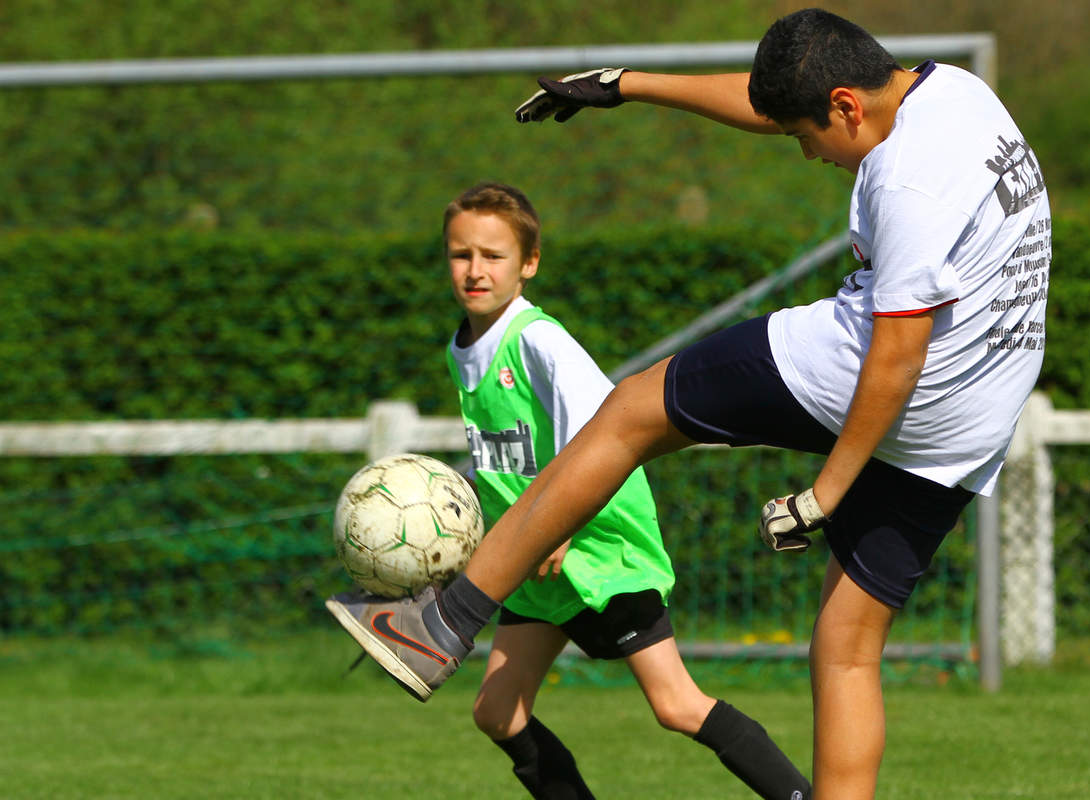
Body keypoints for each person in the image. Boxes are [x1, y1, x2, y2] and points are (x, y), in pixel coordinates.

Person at [328, 8, 1051, 799]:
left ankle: (443, 623)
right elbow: (781, 106)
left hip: (901, 372)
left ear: (845, 105)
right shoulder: (957, 97)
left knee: (632, 410)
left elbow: (897, 352)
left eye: (806, 135)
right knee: (846, 642)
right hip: (979, 408)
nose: (807, 153)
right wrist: (627, 85)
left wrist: (825, 494)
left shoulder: (904, 175)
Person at [327, 181, 812, 799]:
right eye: (460, 254)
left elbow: (601, 434)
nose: (475, 270)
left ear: (528, 264)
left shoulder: (537, 340)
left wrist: (564, 525)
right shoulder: (462, 348)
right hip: (535, 558)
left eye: (493, 256)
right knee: (496, 711)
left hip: (599, 546)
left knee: (676, 705)